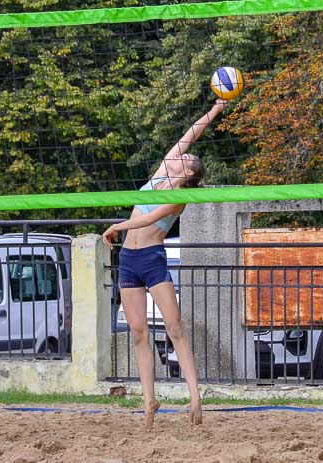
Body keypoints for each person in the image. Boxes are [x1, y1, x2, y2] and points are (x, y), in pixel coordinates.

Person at [102, 99, 227, 430]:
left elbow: (151, 219)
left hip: (152, 259)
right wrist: (214, 110)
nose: (180, 154)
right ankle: (149, 403)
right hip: (128, 259)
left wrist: (117, 226)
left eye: (186, 158)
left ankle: (195, 397)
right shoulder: (161, 173)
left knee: (175, 329)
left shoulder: (181, 197)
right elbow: (192, 133)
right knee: (139, 333)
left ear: (188, 173)